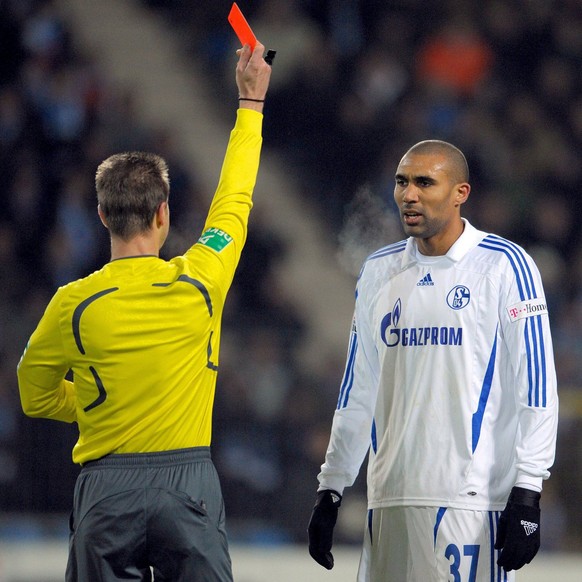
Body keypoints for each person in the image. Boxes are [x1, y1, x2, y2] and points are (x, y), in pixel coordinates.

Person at [17, 41, 272, 581]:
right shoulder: (201, 279)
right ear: (163, 213)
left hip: (106, 488)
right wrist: (251, 104)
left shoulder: (73, 304)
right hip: (188, 485)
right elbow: (234, 200)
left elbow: (32, 393)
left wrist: (92, 404)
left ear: (104, 215)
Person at [308, 140, 559, 581]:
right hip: (388, 499)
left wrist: (528, 491)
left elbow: (535, 387)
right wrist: (331, 487)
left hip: (471, 503)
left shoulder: (505, 266)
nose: (409, 194)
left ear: (461, 192)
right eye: (402, 182)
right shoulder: (378, 271)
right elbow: (358, 389)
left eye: (425, 182)